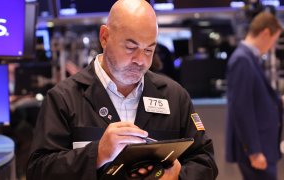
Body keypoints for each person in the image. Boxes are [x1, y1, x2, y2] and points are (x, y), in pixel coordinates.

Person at [26, 0, 218, 179]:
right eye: (130, 47)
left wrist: (179, 176)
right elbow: (38, 170)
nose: (141, 60)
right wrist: (98, 153)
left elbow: (205, 161)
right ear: (105, 37)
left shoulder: (175, 97)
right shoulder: (63, 99)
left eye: (149, 50)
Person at [226, 11, 283, 180]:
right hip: (257, 149)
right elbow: (241, 108)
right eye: (274, 39)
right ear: (266, 33)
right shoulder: (242, 59)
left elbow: (256, 99)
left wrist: (278, 102)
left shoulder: (249, 58)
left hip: (263, 145)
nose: (272, 46)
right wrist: (254, 151)